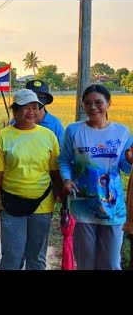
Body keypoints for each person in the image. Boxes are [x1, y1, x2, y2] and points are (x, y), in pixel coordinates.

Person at [58, 84, 133, 270]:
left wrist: (130, 161)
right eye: (88, 103)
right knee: (86, 263)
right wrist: (66, 179)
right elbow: (64, 160)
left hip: (113, 209)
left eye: (98, 102)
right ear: (82, 105)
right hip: (82, 207)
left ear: (109, 103)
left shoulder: (122, 132)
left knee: (111, 264)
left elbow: (125, 169)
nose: (93, 107)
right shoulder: (74, 131)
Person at [0, 89, 62, 270]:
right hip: (11, 204)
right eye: (25, 107)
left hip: (42, 204)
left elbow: (55, 173)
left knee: (36, 256)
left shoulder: (48, 136)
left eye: (35, 107)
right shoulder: (3, 137)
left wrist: (64, 201)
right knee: (12, 254)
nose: (31, 111)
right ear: (15, 110)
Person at [11, 79, 64, 145]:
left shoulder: (55, 123)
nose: (37, 98)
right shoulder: (15, 121)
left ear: (46, 98)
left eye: (41, 95)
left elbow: (61, 150)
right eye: (34, 94)